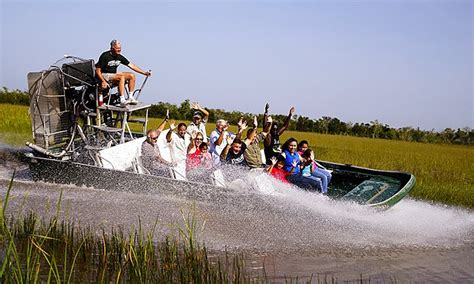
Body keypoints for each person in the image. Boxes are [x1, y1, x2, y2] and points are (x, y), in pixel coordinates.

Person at [95, 39, 152, 106]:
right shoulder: (105, 56)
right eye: (117, 48)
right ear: (112, 48)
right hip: (104, 74)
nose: (119, 50)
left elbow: (132, 66)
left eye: (120, 48)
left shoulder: (119, 56)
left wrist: (144, 73)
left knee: (131, 75)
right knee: (121, 77)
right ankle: (122, 99)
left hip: (113, 74)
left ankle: (130, 97)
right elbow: (97, 70)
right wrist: (103, 81)